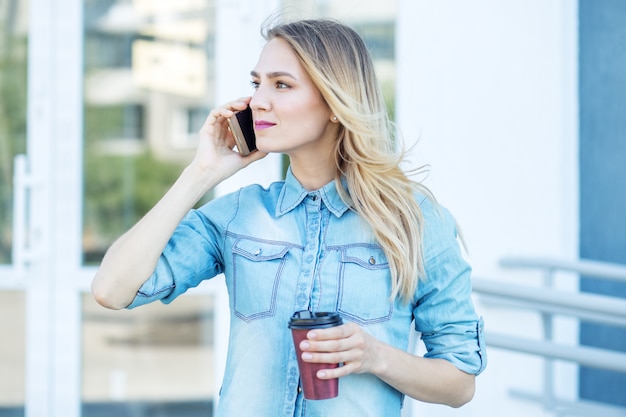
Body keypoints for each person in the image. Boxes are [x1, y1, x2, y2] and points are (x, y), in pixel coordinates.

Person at [92, 18, 486, 417]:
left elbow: (459, 383)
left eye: (281, 84)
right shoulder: (238, 215)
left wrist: (375, 356)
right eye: (256, 83)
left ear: (335, 103)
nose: (259, 100)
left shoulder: (414, 221)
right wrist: (201, 174)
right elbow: (112, 289)